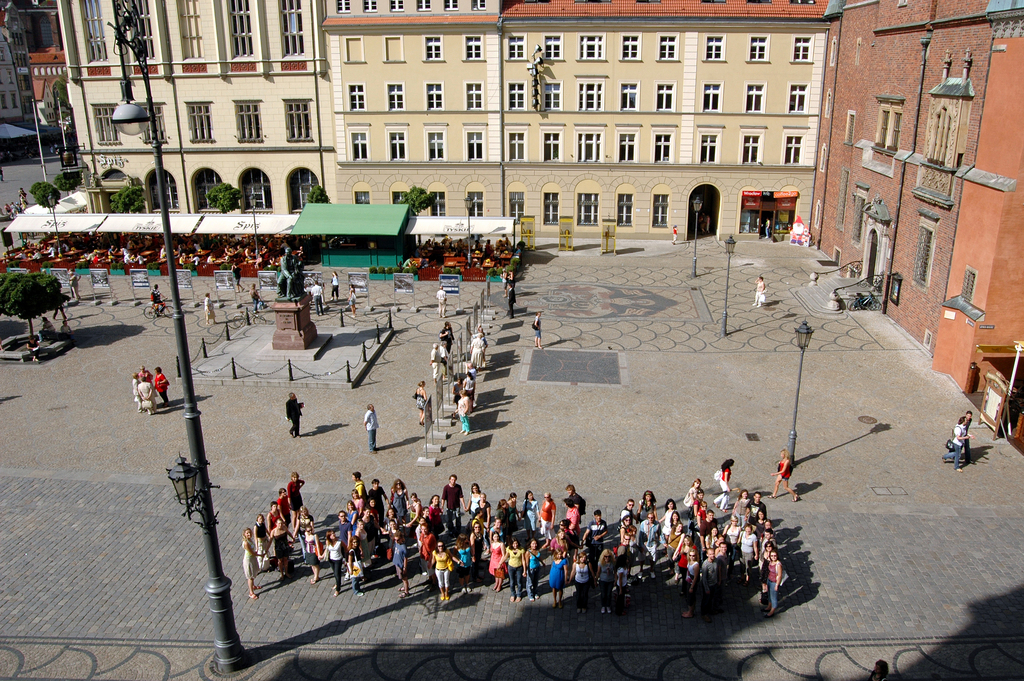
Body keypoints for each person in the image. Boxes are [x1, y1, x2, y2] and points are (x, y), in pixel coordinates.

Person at [763, 548, 785, 617]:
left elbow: (780, 575)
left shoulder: (778, 565)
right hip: (769, 580)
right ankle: (769, 606)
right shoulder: (771, 561)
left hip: (774, 582)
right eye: (772, 556)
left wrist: (777, 585)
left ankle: (772, 611)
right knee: (769, 595)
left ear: (777, 556)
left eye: (775, 556)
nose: (773, 557)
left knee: (773, 597)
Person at [699, 549, 719, 623]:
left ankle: (710, 610)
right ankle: (704, 614)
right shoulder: (705, 565)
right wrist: (706, 588)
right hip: (708, 585)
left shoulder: (716, 561)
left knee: (711, 598)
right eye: (710, 554)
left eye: (713, 553)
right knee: (706, 600)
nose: (712, 555)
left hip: (714, 584)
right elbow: (704, 578)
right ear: (707, 555)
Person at [323, 530, 345, 596]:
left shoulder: (339, 541)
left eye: (333, 533)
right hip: (331, 559)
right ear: (329, 536)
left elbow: (345, 548)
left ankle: (338, 589)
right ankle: (337, 583)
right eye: (331, 534)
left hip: (338, 559)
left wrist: (347, 558)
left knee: (337, 574)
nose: (333, 535)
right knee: (335, 573)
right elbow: (326, 549)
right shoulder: (328, 542)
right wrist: (322, 556)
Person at [505, 537, 526, 603]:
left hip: (519, 567)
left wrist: (524, 570)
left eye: (516, 543)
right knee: (512, 581)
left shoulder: (521, 549)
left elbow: (523, 560)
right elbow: (506, 556)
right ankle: (513, 594)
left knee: (519, 581)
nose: (515, 545)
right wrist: (500, 563)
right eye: (514, 544)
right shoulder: (509, 549)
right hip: (511, 566)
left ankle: (519, 594)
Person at [242, 528, 262, 600]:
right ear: (244, 534)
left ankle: (253, 586)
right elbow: (252, 552)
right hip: (248, 560)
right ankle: (251, 592)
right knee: (250, 577)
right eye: (247, 533)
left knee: (253, 574)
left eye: (250, 533)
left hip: (252, 558)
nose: (249, 534)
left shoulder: (250, 540)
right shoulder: (246, 543)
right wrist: (260, 555)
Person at [393, 531, 410, 597]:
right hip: (397, 563)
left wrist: (404, 567)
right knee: (402, 578)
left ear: (401, 538)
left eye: (397, 540)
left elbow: (405, 558)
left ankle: (406, 592)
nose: (396, 541)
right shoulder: (396, 543)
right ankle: (405, 587)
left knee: (404, 578)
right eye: (395, 539)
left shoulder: (403, 547)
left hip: (401, 565)